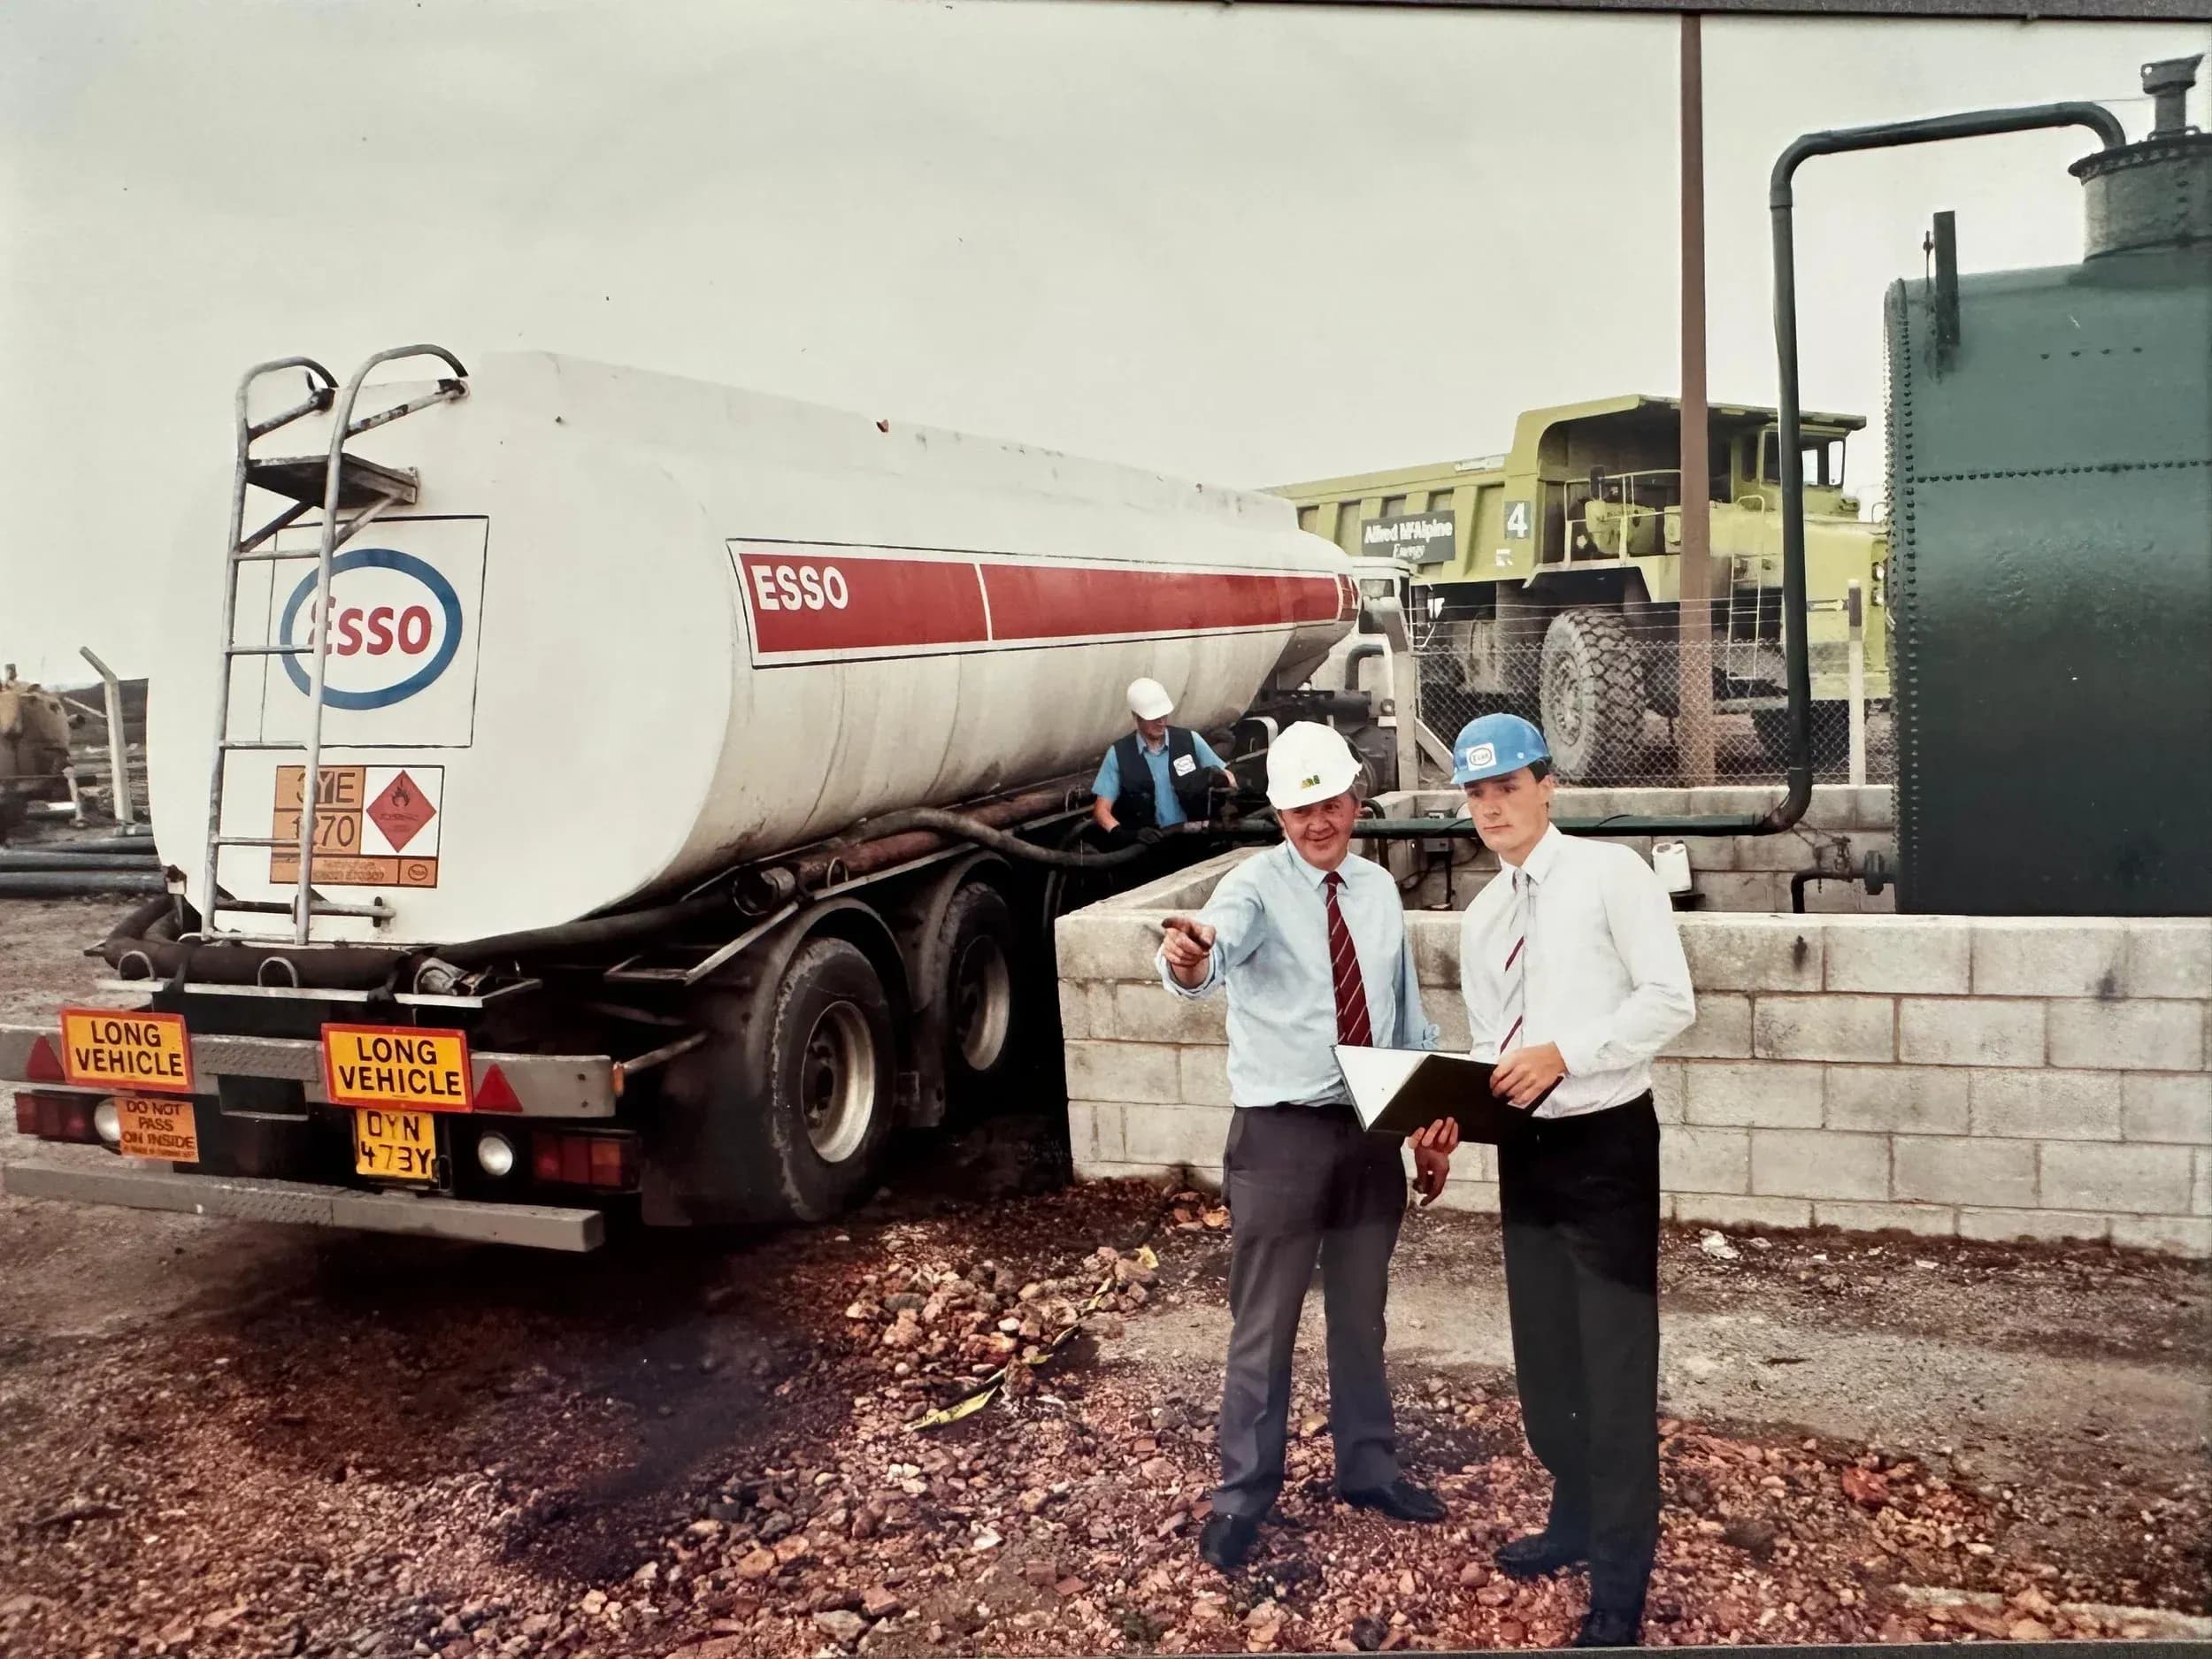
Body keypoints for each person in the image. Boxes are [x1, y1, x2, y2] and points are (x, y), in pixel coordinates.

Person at [1157, 720, 1460, 1572]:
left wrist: (1425, 1125)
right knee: (1265, 1325)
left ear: (1355, 802)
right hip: (1280, 1138)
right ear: (1278, 816)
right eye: (1297, 809)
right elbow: (1209, 948)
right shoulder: (1250, 888)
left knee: (1361, 1316)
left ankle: (1369, 1469)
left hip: (1370, 1131)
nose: (1316, 823)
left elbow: (1403, 1013)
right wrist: (1188, 957)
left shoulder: (1375, 891)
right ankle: (1242, 1497)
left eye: (1328, 803)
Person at [1451, 711, 1695, 1649]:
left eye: (1507, 787)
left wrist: (1565, 1053)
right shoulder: (1482, 917)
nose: (1492, 808)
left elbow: (1668, 1000)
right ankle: (1574, 1517)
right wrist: (1454, 1110)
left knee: (1616, 1361)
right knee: (1545, 1356)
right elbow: (1489, 1044)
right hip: (1527, 1154)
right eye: (1476, 794)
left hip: (1606, 1148)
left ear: (1547, 785)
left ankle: (1621, 1590)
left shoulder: (1610, 877)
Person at [1091, 677, 1234, 843]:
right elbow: (1101, 810)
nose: (1161, 722)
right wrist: (1124, 834)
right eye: (1153, 717)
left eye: (1163, 715)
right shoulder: (1119, 754)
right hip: (1148, 848)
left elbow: (1230, 777)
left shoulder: (1189, 740)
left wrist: (1222, 778)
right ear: (1136, 717)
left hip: (1194, 842)